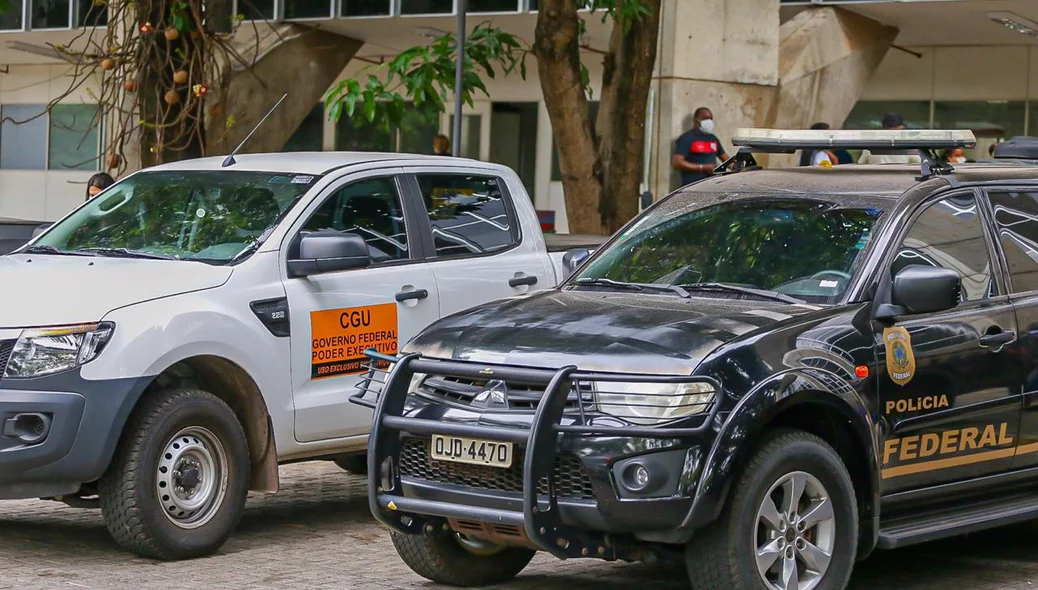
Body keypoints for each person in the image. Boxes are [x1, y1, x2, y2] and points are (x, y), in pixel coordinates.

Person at [673, 107, 730, 186]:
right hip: (692, 185)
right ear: (696, 120)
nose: (709, 121)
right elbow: (677, 163)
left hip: (712, 184)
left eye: (711, 119)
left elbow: (726, 159)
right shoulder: (686, 138)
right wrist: (702, 167)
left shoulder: (713, 138)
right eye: (706, 118)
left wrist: (738, 166)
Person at [858, 113, 922, 164]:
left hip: (875, 179)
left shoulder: (870, 146)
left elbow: (860, 164)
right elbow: (920, 163)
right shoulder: (908, 147)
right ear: (900, 128)